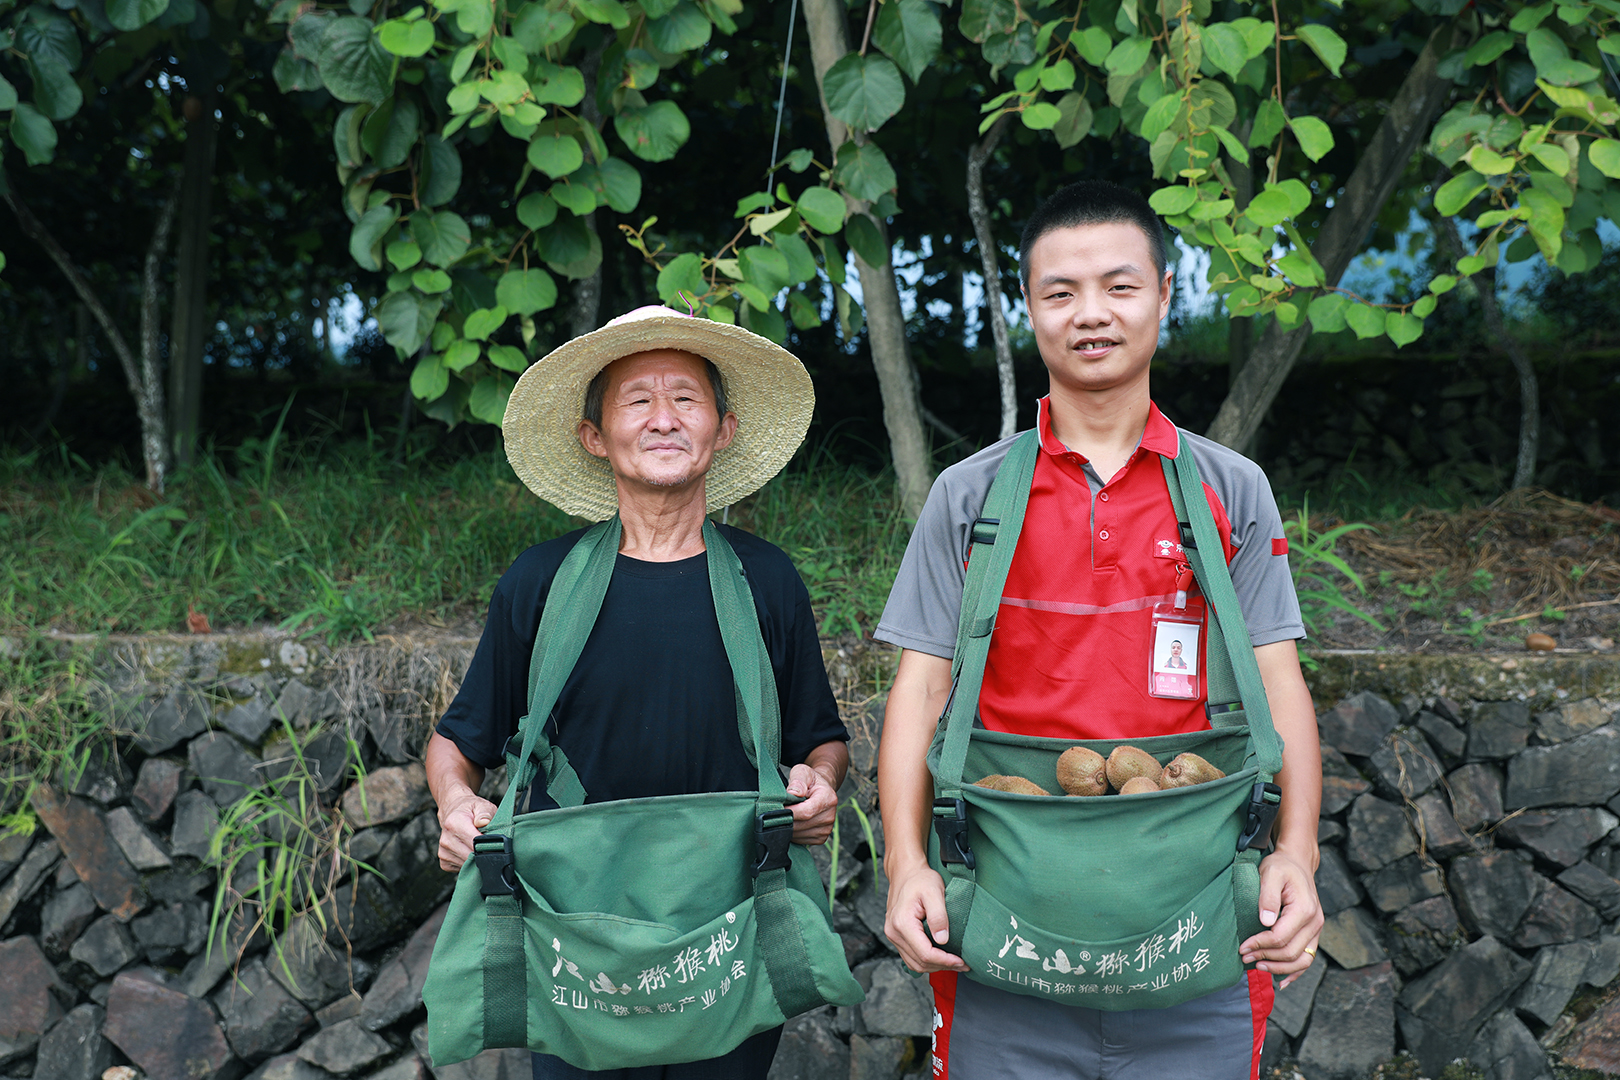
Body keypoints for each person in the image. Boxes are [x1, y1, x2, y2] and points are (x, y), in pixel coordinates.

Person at [874, 181, 1324, 1080]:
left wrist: (1298, 857)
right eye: (1061, 292)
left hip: (1196, 936)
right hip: (1009, 929)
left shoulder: (1228, 490)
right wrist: (906, 866)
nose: (1092, 314)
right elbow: (921, 689)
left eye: (1119, 287)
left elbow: (1280, 684)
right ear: (1028, 313)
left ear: (1165, 293)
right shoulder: (969, 499)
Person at [425, 306, 851, 1080]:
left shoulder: (768, 581)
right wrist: (456, 804)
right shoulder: (540, 584)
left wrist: (819, 784)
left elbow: (819, 739)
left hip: (730, 926)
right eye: (638, 401)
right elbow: (459, 743)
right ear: (596, 436)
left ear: (722, 429)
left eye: (686, 399)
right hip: (575, 940)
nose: (664, 419)